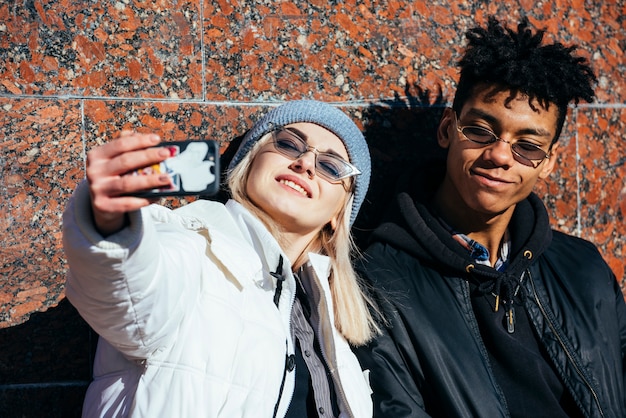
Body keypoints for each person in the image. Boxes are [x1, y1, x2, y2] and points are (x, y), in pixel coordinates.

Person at [354, 17, 626, 417]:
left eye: (528, 146)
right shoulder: (376, 282)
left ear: (548, 163)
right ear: (448, 128)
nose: (499, 155)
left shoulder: (585, 270)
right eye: (480, 130)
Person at [62, 99, 380, 417]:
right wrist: (108, 217)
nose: (306, 163)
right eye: (288, 143)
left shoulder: (334, 334)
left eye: (331, 166)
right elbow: (130, 285)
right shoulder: (190, 251)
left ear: (340, 213)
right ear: (249, 162)